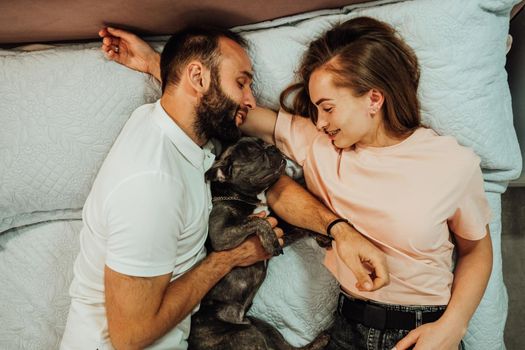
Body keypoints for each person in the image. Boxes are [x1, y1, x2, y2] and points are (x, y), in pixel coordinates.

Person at [105, 16, 494, 350]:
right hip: (348, 331)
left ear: (373, 98)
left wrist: (453, 326)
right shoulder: (320, 146)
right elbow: (224, 108)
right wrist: (156, 63)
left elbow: (476, 250)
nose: (321, 122)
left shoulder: (451, 163)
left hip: (425, 331)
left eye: (328, 108)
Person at [61, 26, 389, 350]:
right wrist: (228, 259)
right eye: (241, 82)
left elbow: (271, 183)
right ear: (198, 78)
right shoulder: (151, 186)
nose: (251, 99)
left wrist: (341, 232)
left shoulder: (179, 130)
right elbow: (130, 337)